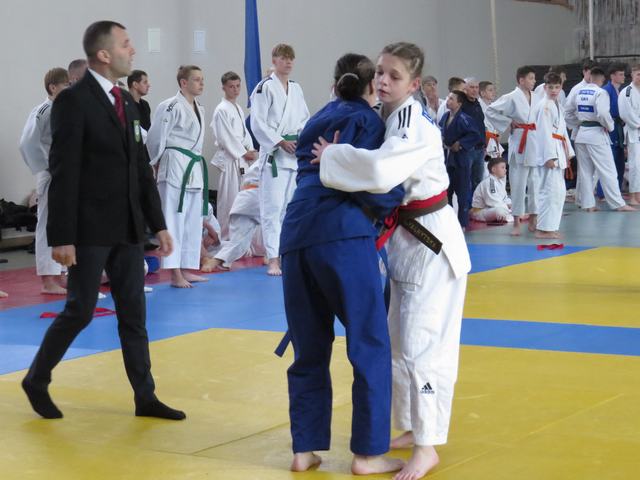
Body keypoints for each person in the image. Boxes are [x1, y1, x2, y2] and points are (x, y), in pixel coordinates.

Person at [314, 42, 471, 480]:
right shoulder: (389, 115)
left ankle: (427, 445)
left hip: (431, 246)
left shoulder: (412, 123)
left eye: (394, 76)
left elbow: (382, 172)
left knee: (422, 348)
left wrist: (332, 155)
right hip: (409, 242)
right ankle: (412, 424)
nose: (382, 81)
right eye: (380, 72)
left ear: (414, 83)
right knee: (399, 342)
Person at [21, 20, 184, 421]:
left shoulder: (126, 101)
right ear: (104, 54)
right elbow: (64, 171)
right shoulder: (73, 101)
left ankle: (145, 396)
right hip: (89, 227)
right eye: (126, 44)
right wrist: (62, 236)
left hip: (127, 226)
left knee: (134, 313)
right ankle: (37, 379)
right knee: (79, 310)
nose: (133, 50)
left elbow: (140, 168)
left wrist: (158, 223)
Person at [281, 52, 405, 475]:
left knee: (309, 345)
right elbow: (384, 190)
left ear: (335, 85)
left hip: (296, 234)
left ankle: (304, 449)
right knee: (369, 342)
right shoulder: (371, 123)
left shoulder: (314, 121)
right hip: (343, 236)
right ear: (372, 87)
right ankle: (368, 453)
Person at [250, 43, 310, 276]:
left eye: (291, 58)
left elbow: (304, 119)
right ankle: (272, 259)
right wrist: (280, 141)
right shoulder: (264, 88)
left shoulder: (296, 88)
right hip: (275, 156)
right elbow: (257, 122)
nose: (288, 62)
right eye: (284, 58)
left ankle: (285, 254)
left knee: (289, 209)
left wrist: (301, 141)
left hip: (293, 156)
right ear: (274, 60)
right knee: (272, 209)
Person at [147, 65, 209, 288]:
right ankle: (174, 273)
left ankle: (186, 267)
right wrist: (155, 162)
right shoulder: (170, 106)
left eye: (202, 79)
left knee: (192, 221)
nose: (201, 83)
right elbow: (155, 137)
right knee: (174, 219)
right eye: (196, 79)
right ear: (183, 82)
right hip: (174, 166)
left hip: (193, 167)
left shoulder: (199, 108)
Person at [19, 67, 70, 295]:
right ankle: (48, 280)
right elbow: (27, 143)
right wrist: (45, 168)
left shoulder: (63, 110)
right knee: (47, 224)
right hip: (50, 173)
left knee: (63, 225)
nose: (69, 89)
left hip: (63, 173)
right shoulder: (44, 110)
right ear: (53, 87)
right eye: (66, 85)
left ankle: (61, 273)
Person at [564, 67, 635, 212]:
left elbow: (567, 113)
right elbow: (603, 113)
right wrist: (610, 127)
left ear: (590, 77)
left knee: (585, 172)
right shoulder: (601, 92)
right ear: (602, 79)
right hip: (597, 135)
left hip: (581, 134)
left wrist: (578, 123)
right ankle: (618, 204)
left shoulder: (578, 91)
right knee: (608, 170)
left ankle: (588, 204)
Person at [486, 66, 539, 236]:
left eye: (534, 78)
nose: (534, 81)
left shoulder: (537, 97)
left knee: (535, 184)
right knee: (518, 184)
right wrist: (508, 122)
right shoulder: (511, 97)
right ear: (521, 80)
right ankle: (516, 222)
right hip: (519, 141)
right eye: (530, 78)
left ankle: (534, 218)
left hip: (535, 142)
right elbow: (490, 110)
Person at [211, 71, 258, 241]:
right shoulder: (221, 110)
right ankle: (226, 238)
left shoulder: (237, 108)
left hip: (242, 159)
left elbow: (245, 133)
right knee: (229, 199)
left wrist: (250, 149)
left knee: (242, 198)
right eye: (231, 86)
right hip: (231, 159)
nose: (235, 90)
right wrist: (243, 152)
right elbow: (225, 137)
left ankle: (241, 236)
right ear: (223, 87)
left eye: (238, 86)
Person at [532, 72, 574, 238]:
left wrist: (568, 152)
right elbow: (543, 133)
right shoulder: (545, 106)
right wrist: (548, 156)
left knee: (558, 192)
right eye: (551, 87)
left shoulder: (556, 105)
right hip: (549, 153)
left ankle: (550, 227)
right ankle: (543, 229)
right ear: (545, 87)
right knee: (549, 191)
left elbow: (562, 131)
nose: (554, 90)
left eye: (557, 87)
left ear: (561, 87)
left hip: (558, 148)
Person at [201, 162, 261, 271]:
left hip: (246, 198)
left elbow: (216, 236)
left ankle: (217, 261)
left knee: (240, 242)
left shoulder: (261, 163)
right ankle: (274, 259)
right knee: (276, 229)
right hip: (256, 196)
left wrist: (211, 233)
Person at [439, 90, 483, 229]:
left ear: (459, 103)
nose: (448, 101)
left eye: (451, 99)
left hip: (461, 159)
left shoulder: (464, 118)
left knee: (462, 192)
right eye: (448, 98)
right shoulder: (445, 116)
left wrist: (461, 143)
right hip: (447, 158)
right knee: (446, 192)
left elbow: (475, 135)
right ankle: (448, 222)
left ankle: (462, 224)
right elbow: (441, 131)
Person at [602, 63, 627, 190]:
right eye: (620, 74)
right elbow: (603, 112)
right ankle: (603, 192)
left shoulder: (620, 91)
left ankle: (616, 190)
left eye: (623, 74)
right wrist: (609, 126)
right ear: (612, 76)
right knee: (608, 160)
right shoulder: (606, 90)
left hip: (618, 128)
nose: (623, 77)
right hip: (610, 128)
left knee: (620, 161)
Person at [618, 63, 640, 205]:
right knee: (635, 165)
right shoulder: (627, 92)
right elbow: (625, 114)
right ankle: (632, 196)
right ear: (632, 75)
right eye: (638, 74)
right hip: (633, 132)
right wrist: (638, 124)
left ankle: (638, 194)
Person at [462, 77, 487, 194]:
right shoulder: (461, 104)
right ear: (465, 89)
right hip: (468, 149)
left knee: (478, 181)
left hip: (480, 149)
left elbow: (481, 125)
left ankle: (476, 203)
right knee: (465, 181)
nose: (475, 90)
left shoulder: (477, 103)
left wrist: (484, 144)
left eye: (476, 87)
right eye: (471, 87)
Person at [470, 157, 513, 223]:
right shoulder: (489, 183)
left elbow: (504, 198)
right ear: (493, 169)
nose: (505, 170)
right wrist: (510, 210)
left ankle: (514, 216)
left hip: (491, 209)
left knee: (515, 207)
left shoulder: (500, 182)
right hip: (480, 212)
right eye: (502, 167)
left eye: (505, 168)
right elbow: (493, 202)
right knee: (499, 212)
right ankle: (514, 217)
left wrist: (511, 205)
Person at [478, 80, 504, 162]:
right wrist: (484, 146)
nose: (493, 92)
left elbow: (496, 127)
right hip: (483, 143)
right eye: (490, 90)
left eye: (494, 90)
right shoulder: (477, 107)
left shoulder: (493, 107)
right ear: (482, 93)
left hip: (494, 141)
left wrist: (497, 138)